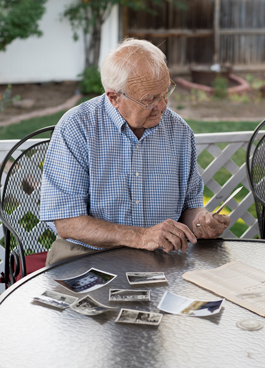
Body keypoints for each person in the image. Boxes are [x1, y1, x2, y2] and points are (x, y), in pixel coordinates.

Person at [40, 38, 230, 265]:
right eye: (149, 99)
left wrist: (200, 222)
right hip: (87, 254)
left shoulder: (179, 131)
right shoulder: (77, 127)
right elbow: (67, 221)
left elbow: (190, 206)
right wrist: (140, 236)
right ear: (114, 97)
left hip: (162, 256)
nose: (162, 105)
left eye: (165, 92)